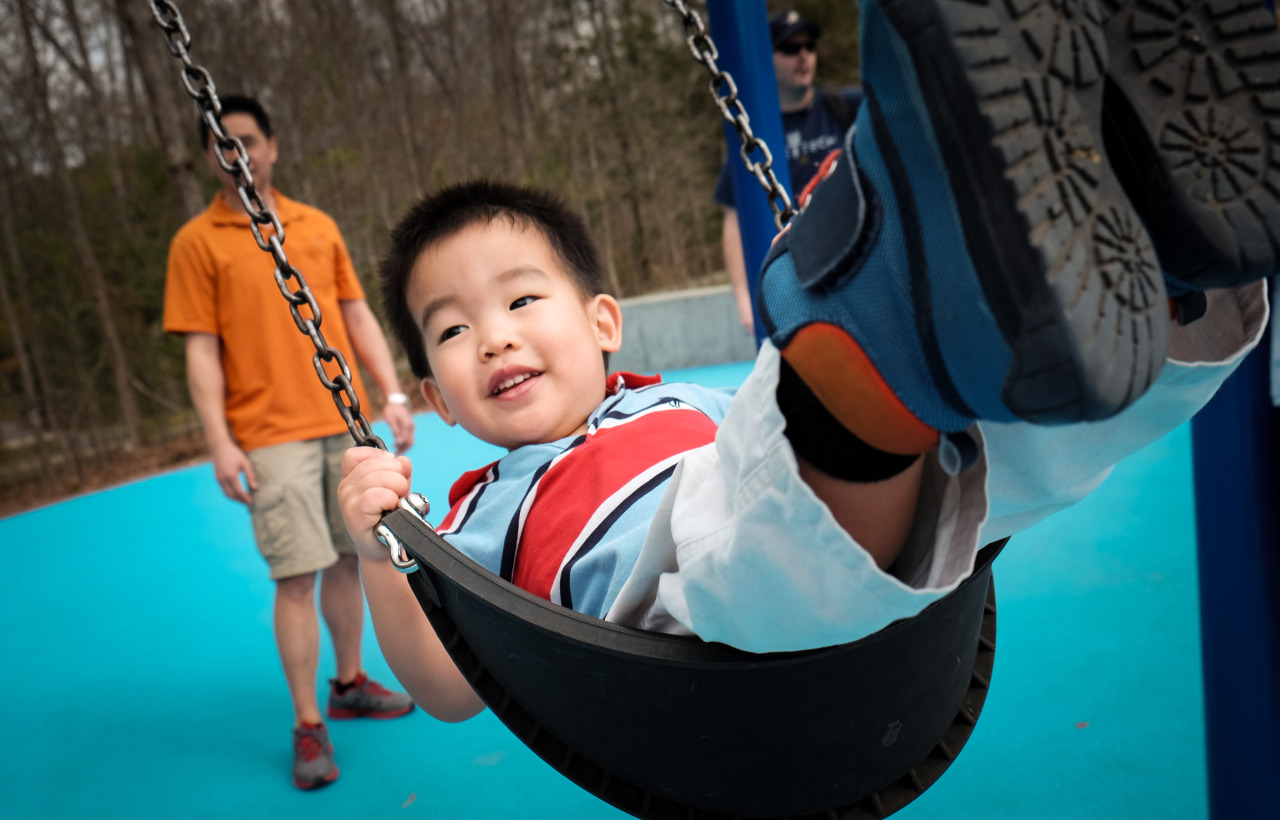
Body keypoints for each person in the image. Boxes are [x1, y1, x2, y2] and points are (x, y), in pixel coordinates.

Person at [339, 0, 1276, 724]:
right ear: (437, 398)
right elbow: (451, 689)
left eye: (520, 299)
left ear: (603, 323)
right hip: (687, 625)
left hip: (874, 536)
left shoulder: (678, 403)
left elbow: (757, 449)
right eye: (452, 331)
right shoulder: (471, 512)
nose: (494, 336)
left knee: (1019, 443)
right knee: (751, 518)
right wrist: (384, 544)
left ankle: (1174, 266)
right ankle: (892, 263)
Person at [163, 95, 418, 789]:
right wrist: (219, 439)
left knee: (347, 561)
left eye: (245, 139)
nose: (235, 153)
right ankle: (310, 724)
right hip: (269, 436)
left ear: (271, 146)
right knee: (296, 576)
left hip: (343, 424)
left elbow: (357, 314)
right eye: (221, 144)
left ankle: (350, 681)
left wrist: (390, 393)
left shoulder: (314, 225)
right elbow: (202, 352)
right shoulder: (197, 243)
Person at [715, 9, 864, 334]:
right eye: (790, 48)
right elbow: (733, 219)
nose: (803, 56)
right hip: (795, 279)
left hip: (858, 268)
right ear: (767, 57)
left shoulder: (848, 108)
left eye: (808, 46)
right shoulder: (751, 135)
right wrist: (743, 298)